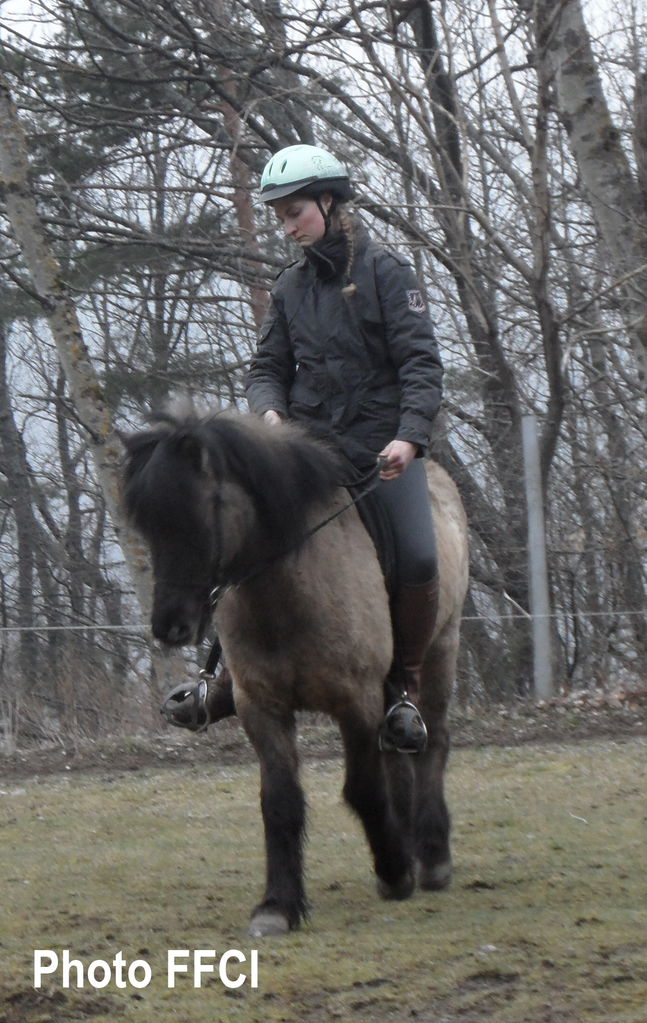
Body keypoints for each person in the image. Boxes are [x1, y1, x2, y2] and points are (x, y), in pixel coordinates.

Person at [245, 144, 444, 753]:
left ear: (328, 203)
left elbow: (421, 365)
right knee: (241, 527)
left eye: (294, 211)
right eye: (279, 215)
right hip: (309, 447)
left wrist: (408, 437)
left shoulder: (388, 272)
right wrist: (270, 413)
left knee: (417, 557)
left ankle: (405, 689)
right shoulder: (289, 287)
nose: (286, 226)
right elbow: (266, 368)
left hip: (381, 449)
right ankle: (224, 673)